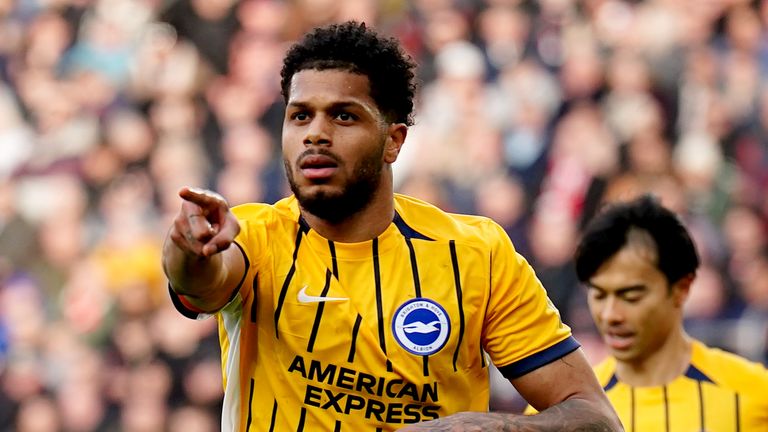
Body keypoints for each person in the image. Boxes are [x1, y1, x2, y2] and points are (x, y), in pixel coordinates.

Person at [162, 20, 621, 431]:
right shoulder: (256, 236)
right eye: (300, 115)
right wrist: (187, 250)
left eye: (344, 115)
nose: (315, 133)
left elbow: (595, 417)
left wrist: (484, 428)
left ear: (393, 141)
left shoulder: (476, 255)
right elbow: (200, 279)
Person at [572, 195, 768, 431]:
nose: (610, 315)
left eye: (631, 296)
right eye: (599, 295)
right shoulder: (577, 412)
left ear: (681, 289)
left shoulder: (754, 396)